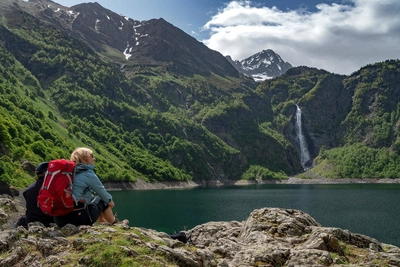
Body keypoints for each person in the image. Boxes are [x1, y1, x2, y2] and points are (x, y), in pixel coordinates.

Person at [54, 147, 121, 227]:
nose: (94, 158)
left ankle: (104, 224)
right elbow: (102, 193)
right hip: (78, 219)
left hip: (59, 219)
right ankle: (115, 224)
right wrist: (111, 203)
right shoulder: (87, 174)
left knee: (93, 200)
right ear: (84, 158)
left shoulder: (66, 173)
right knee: (102, 200)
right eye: (92, 156)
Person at [15, 162, 54, 228]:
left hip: (30, 221)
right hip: (48, 221)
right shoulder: (53, 188)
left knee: (22, 219)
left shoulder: (28, 190)